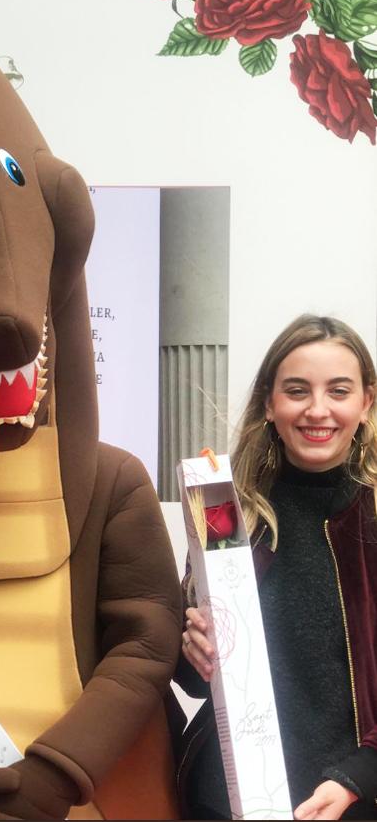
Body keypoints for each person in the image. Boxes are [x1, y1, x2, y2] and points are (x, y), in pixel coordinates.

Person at [176, 314, 377, 821]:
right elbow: (195, 682)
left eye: (338, 391)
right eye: (296, 390)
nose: (317, 410)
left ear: (366, 403)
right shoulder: (227, 511)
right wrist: (193, 650)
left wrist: (360, 777)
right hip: (228, 798)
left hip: (352, 796)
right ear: (269, 402)